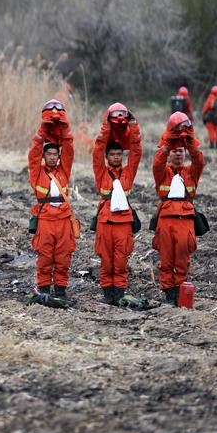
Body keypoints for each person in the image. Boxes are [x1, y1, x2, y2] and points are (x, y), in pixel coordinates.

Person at [152, 112, 205, 305]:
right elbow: (158, 162)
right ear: (169, 154)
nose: (178, 153)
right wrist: (168, 143)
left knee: (182, 257)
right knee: (166, 258)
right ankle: (169, 293)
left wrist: (190, 142)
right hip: (166, 218)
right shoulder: (163, 172)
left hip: (185, 219)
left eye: (181, 151)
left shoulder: (191, 172)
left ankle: (180, 291)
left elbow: (199, 160)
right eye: (174, 151)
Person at [91, 103, 141, 305]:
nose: (116, 157)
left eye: (119, 154)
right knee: (106, 261)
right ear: (107, 157)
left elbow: (136, 151)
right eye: (112, 155)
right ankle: (107, 296)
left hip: (124, 223)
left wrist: (133, 125)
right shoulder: (101, 172)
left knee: (121, 261)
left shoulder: (128, 172)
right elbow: (97, 150)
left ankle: (119, 296)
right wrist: (106, 126)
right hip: (105, 221)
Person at [29, 99, 76, 300]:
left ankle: (61, 290)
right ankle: (44, 290)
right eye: (48, 154)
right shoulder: (37, 172)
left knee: (63, 256)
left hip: (63, 219)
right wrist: (42, 129)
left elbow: (69, 149)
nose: (52, 157)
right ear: (44, 156)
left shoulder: (63, 170)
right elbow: (33, 153)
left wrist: (64, 129)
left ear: (58, 156)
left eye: (55, 154)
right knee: (45, 256)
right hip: (46, 219)